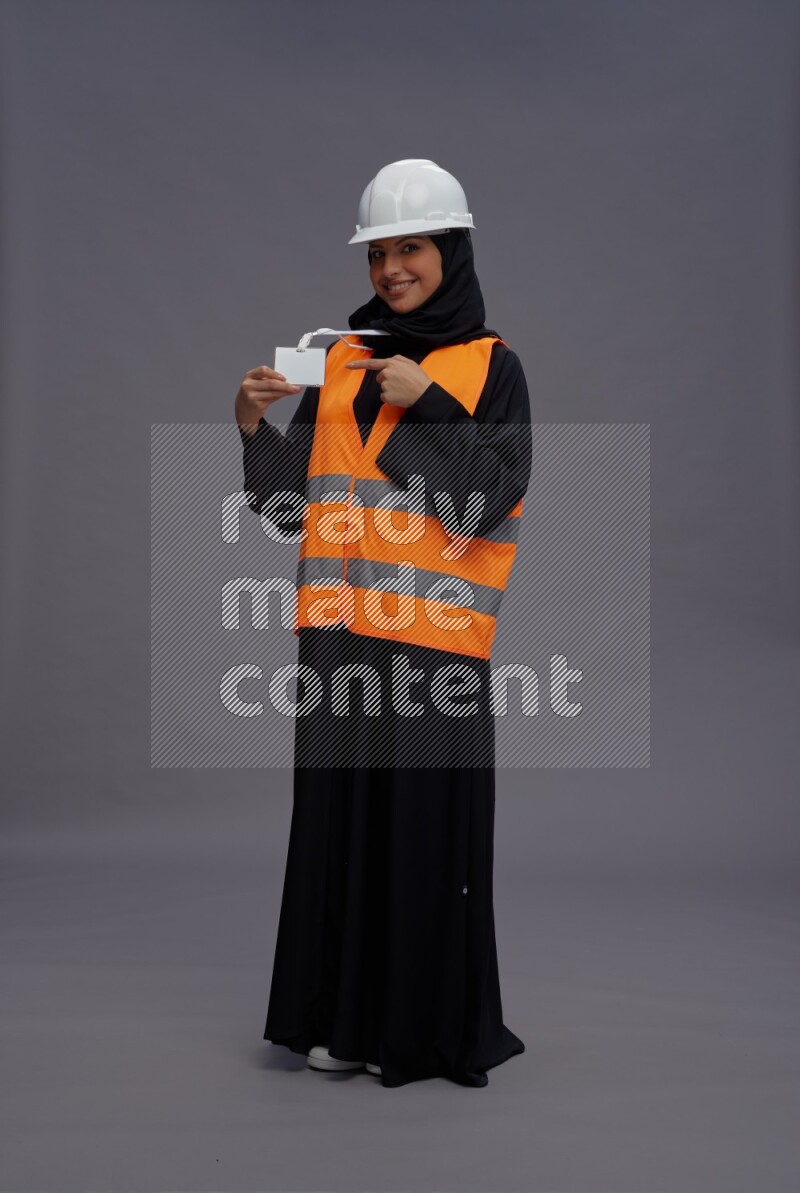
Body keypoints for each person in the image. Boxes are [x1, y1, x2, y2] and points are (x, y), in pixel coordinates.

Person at [234, 159, 532, 1088]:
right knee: (342, 833)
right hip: (338, 644)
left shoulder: (491, 368)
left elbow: (486, 500)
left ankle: (418, 1035)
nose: (392, 268)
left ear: (451, 250)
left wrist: (427, 403)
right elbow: (296, 508)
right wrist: (254, 430)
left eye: (411, 248)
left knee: (419, 841)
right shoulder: (341, 360)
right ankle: (342, 1023)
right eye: (380, 253)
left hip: (436, 650)